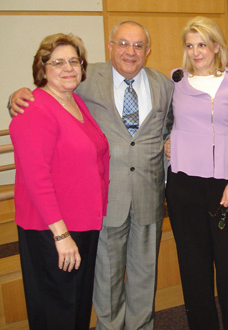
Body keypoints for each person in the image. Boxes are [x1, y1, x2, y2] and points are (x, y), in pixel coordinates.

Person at [10, 21, 174, 330]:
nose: (130, 51)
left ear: (148, 51)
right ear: (110, 46)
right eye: (123, 43)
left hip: (146, 195)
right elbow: (43, 97)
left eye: (138, 45)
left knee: (143, 275)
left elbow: (169, 129)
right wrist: (15, 97)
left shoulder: (163, 85)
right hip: (104, 202)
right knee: (103, 281)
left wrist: (170, 143)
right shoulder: (85, 81)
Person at [9, 33, 109, 329]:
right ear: (42, 69)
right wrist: (61, 236)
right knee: (56, 309)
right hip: (52, 230)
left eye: (74, 61)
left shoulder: (75, 100)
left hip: (83, 223)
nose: (68, 68)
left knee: (77, 304)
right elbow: (36, 178)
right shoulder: (34, 109)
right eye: (58, 62)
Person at [165, 16, 228, 330]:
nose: (195, 52)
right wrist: (166, 142)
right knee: (193, 263)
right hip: (184, 183)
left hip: (224, 185)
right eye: (190, 45)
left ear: (216, 46)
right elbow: (164, 122)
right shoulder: (175, 82)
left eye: (202, 44)